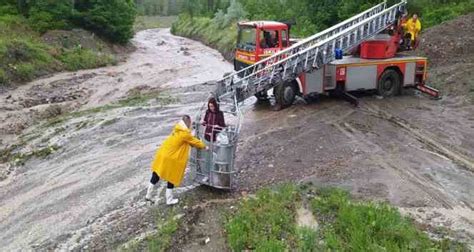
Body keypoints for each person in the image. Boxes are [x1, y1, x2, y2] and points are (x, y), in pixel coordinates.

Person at [145, 115, 207, 205]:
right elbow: (194, 141)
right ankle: (169, 200)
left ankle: (148, 195)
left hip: (162, 153)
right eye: (190, 122)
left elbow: (187, 134)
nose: (190, 124)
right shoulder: (184, 134)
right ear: (187, 122)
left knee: (157, 173)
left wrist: (194, 126)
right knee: (172, 177)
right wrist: (205, 146)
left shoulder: (178, 129)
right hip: (171, 157)